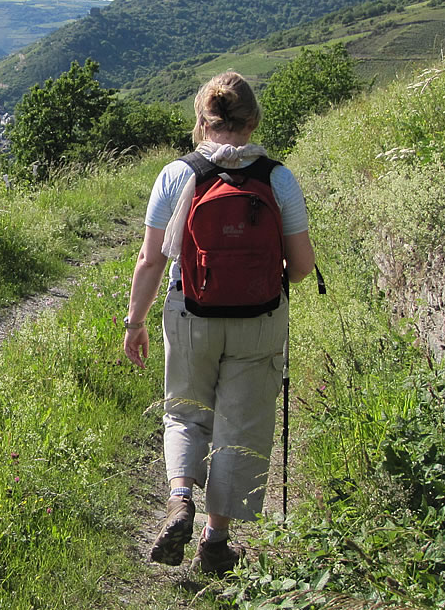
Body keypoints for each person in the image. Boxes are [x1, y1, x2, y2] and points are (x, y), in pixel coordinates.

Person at [122, 71, 315, 575]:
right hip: (259, 320)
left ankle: (180, 498)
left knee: (185, 412)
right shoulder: (278, 178)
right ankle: (216, 540)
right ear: (253, 121)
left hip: (190, 312)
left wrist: (134, 322)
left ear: (202, 121)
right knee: (242, 426)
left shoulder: (176, 174)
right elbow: (300, 267)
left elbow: (149, 260)